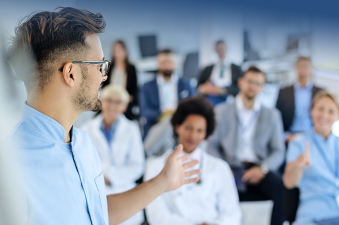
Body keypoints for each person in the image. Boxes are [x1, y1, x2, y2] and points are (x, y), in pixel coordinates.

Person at [7, 7, 200, 225]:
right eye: (100, 65)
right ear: (71, 73)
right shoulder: (10, 169)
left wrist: (162, 182)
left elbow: (95, 213)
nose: (104, 76)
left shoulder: (83, 144)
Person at [145, 97, 241, 225]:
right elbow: (157, 216)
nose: (193, 135)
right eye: (189, 128)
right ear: (177, 127)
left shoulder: (220, 167)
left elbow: (232, 214)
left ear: (206, 134)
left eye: (200, 130)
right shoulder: (155, 167)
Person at [207, 66, 286, 225]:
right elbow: (211, 145)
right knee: (213, 190)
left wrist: (263, 168)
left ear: (262, 88)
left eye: (258, 83)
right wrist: (224, 168)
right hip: (230, 167)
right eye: (249, 81)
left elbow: (278, 150)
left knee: (281, 188)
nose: (252, 86)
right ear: (241, 82)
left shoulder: (272, 115)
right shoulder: (221, 111)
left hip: (258, 167)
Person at [283, 91, 339, 225]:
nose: (324, 115)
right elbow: (289, 182)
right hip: (314, 215)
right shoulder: (298, 144)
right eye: (320, 109)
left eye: (331, 111)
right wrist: (298, 165)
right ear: (312, 111)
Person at [81, 85, 145, 225]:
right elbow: (82, 162)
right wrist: (100, 177)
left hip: (124, 188)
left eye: (118, 102)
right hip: (96, 187)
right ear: (101, 102)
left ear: (124, 106)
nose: (112, 105)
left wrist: (110, 178)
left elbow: (137, 166)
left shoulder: (131, 129)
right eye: (108, 100)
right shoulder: (86, 129)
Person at [140, 48, 196, 138]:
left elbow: (194, 107)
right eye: (163, 62)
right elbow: (144, 111)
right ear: (157, 64)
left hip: (181, 126)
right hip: (156, 125)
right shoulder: (147, 86)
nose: (167, 66)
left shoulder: (186, 84)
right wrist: (161, 113)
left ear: (175, 63)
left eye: (170, 62)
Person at [276, 56, 324, 142]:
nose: (303, 69)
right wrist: (285, 136)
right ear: (295, 68)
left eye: (306, 66)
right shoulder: (283, 91)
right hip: (290, 136)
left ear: (312, 69)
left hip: (313, 136)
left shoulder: (320, 92)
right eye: (300, 66)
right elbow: (276, 117)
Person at [102, 40, 139, 120]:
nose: (117, 53)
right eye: (115, 51)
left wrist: (130, 97)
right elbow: (104, 87)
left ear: (125, 52)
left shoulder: (131, 69)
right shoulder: (109, 68)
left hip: (125, 103)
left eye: (119, 50)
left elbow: (135, 89)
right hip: (110, 101)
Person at [197, 40, 242, 106]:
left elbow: (240, 87)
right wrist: (204, 88)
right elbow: (198, 86)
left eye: (222, 48)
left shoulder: (236, 68)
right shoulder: (207, 69)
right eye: (218, 49)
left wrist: (222, 90)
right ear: (215, 50)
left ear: (226, 49)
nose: (220, 50)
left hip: (229, 98)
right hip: (211, 98)